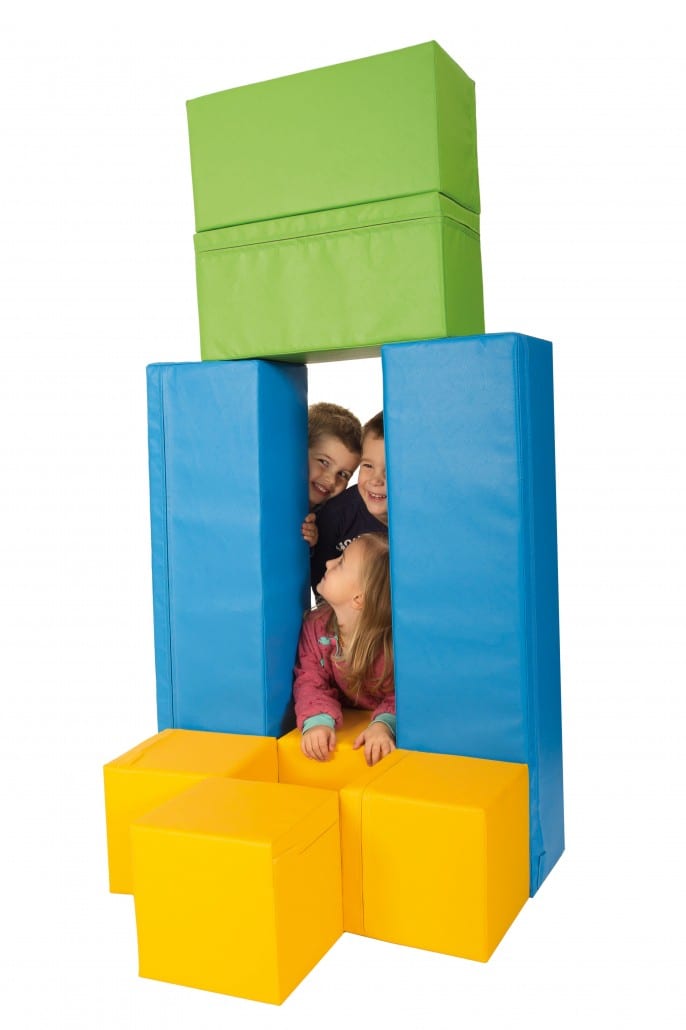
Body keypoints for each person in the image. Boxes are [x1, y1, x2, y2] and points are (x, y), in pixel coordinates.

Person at [293, 532, 395, 767]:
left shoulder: (389, 644)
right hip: (343, 716)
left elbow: (406, 694)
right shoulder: (316, 627)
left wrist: (384, 725)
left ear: (359, 598)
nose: (329, 562)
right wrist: (317, 721)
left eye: (340, 563)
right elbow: (309, 679)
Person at [308, 411, 387, 591]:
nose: (376, 480)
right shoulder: (333, 515)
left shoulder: (417, 522)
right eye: (368, 466)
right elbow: (321, 582)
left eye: (343, 474)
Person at [301, 402, 361, 547]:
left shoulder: (332, 515)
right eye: (324, 462)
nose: (332, 480)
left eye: (343, 474)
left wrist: (311, 544)